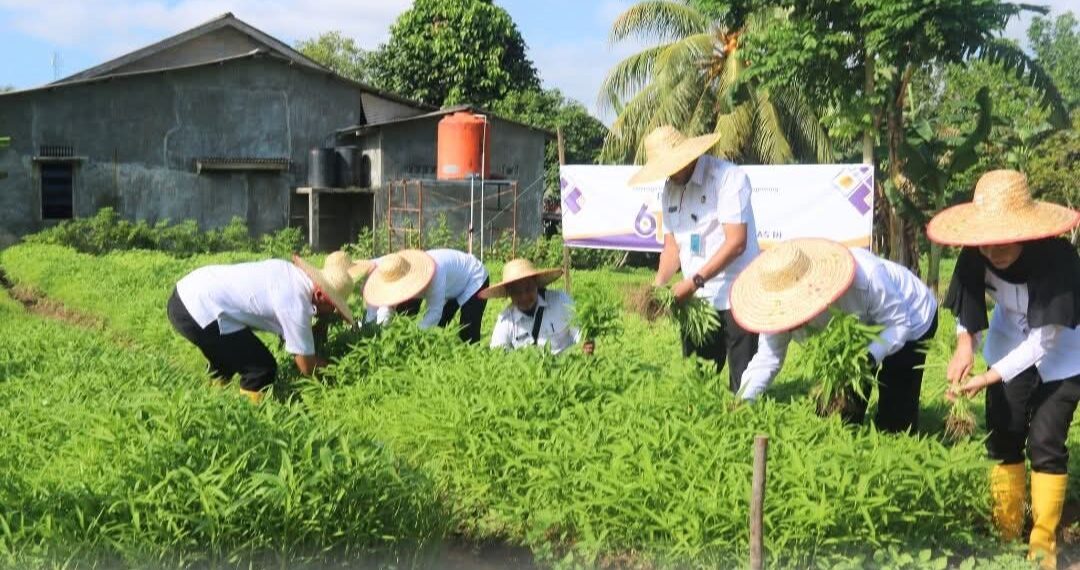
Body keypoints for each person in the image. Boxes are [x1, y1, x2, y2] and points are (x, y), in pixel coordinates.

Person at [932, 170, 1080, 569]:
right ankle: (1005, 533)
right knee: (1004, 433)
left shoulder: (1058, 261)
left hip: (1062, 351)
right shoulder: (974, 254)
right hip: (1007, 342)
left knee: (1046, 442)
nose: (993, 251)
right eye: (986, 241)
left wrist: (988, 376)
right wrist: (966, 345)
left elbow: (1044, 341)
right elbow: (969, 308)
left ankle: (1042, 546)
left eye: (1003, 240)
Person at [731, 238, 938, 434]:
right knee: (835, 422)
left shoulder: (866, 277)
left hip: (911, 316)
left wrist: (867, 358)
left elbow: (898, 324)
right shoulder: (777, 310)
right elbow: (768, 359)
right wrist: (742, 401)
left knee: (895, 420)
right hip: (858, 333)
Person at [628, 125, 761, 393]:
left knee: (744, 386)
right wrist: (658, 286)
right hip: (697, 303)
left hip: (737, 294)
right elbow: (671, 248)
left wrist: (693, 282)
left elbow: (736, 243)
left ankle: (743, 428)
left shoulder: (727, 179)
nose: (669, 173)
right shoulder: (669, 190)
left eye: (672, 166)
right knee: (699, 382)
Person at [167, 251, 368, 403]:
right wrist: (341, 374)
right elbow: (306, 366)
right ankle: (245, 420)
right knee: (260, 368)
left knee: (227, 358)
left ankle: (209, 402)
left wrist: (320, 326)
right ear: (320, 295)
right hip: (197, 310)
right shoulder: (296, 304)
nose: (332, 312)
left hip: (188, 291)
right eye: (332, 306)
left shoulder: (291, 274)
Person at [363, 248, 489, 343]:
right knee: (413, 316)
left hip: (474, 278)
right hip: (451, 282)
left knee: (468, 332)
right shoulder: (396, 271)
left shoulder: (434, 273)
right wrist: (379, 332)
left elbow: (434, 312)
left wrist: (411, 337)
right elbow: (388, 306)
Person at [480, 258, 581, 355]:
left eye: (528, 289)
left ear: (536, 284)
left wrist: (584, 346)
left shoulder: (560, 301)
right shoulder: (506, 320)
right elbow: (497, 355)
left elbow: (580, 335)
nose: (524, 297)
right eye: (516, 292)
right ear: (509, 293)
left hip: (567, 367)